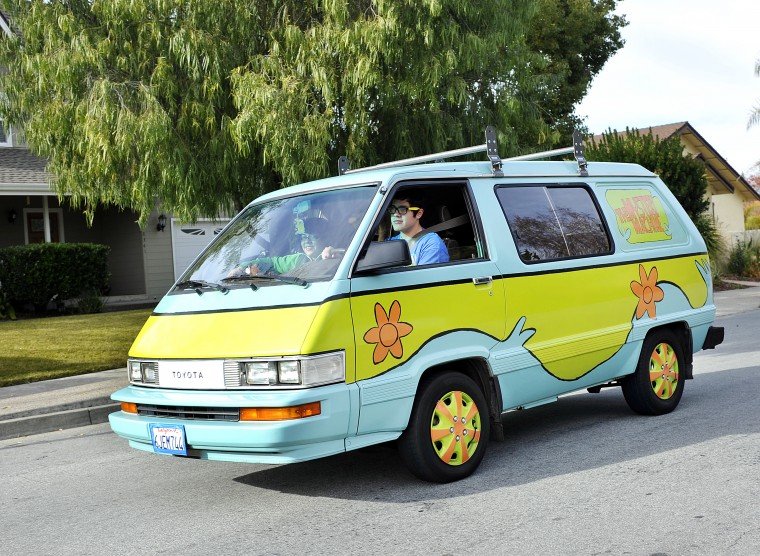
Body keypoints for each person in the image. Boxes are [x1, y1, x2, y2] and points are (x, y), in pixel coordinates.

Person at [230, 217, 339, 276]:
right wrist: (241, 268)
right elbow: (271, 262)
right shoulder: (298, 259)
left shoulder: (337, 255)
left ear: (325, 239)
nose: (307, 242)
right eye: (304, 237)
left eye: (313, 237)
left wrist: (335, 255)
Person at [387, 193, 449, 265]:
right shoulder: (391, 242)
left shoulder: (431, 243)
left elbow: (425, 275)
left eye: (402, 209)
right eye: (392, 209)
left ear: (419, 213)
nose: (395, 214)